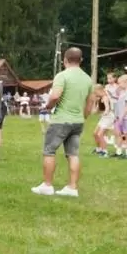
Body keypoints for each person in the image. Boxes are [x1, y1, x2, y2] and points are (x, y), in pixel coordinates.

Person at [31, 48, 94, 197]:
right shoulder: (87, 79)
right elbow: (90, 102)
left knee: (49, 151)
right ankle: (72, 187)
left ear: (65, 60)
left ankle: (47, 186)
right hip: (78, 122)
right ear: (81, 60)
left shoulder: (62, 76)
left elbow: (55, 96)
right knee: (73, 154)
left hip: (61, 120)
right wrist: (84, 116)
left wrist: (48, 107)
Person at [112, 75, 127, 158]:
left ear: (125, 82)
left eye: (120, 83)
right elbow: (119, 104)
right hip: (119, 116)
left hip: (125, 117)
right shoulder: (123, 92)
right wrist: (117, 116)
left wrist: (121, 117)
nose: (118, 85)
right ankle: (118, 152)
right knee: (118, 133)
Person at [91, 84, 114, 157]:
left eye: (96, 92)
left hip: (109, 117)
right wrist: (94, 103)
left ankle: (105, 152)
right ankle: (99, 149)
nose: (95, 94)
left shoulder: (105, 98)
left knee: (100, 134)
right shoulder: (100, 99)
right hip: (104, 117)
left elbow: (107, 108)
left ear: (100, 90)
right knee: (95, 133)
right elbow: (95, 111)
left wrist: (104, 113)